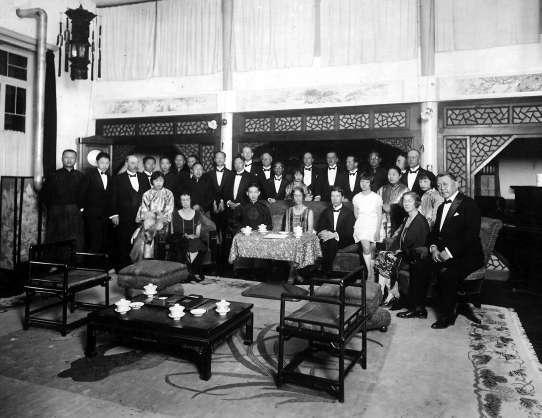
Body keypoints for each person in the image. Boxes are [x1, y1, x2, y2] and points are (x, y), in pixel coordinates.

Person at [429, 172, 484, 329]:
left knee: (448, 273)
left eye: (445, 184)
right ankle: (417, 308)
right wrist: (433, 248)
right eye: (439, 185)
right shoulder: (441, 207)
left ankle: (446, 317)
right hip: (443, 253)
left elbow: (470, 235)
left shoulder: (469, 204)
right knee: (420, 264)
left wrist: (448, 253)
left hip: (468, 255)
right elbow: (434, 234)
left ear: (457, 183)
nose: (442, 188)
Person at [385, 192, 431, 318]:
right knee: (384, 257)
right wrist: (394, 251)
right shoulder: (407, 218)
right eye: (404, 201)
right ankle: (395, 296)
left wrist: (401, 253)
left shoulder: (420, 221)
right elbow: (400, 239)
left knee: (391, 262)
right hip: (406, 254)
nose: (406, 203)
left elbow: (420, 248)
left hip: (416, 258)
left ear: (416, 203)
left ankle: (410, 305)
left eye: (410, 201)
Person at [110, 155, 150, 267]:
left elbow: (148, 195)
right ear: (126, 164)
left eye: (137, 163)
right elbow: (113, 197)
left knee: (139, 241)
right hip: (124, 216)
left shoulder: (143, 177)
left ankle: (138, 267)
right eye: (132, 163)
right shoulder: (118, 178)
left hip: (141, 216)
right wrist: (114, 214)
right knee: (124, 241)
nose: (135, 165)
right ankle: (123, 268)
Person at [41, 149, 86, 250]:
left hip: (74, 212)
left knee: (75, 239)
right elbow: (44, 195)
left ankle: (73, 260)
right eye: (66, 157)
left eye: (72, 158)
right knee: (55, 239)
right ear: (62, 159)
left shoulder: (81, 176)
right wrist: (52, 209)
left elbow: (84, 195)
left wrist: (80, 209)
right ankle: (54, 260)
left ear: (76, 160)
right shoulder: (53, 175)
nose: (69, 160)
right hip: (57, 213)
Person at [133, 172, 174, 260]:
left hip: (164, 222)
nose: (159, 183)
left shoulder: (169, 193)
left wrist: (159, 217)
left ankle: (160, 261)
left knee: (159, 233)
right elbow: (144, 210)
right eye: (156, 181)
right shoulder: (147, 194)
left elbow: (169, 210)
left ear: (164, 181)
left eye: (161, 180)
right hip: (149, 221)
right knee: (145, 233)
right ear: (152, 181)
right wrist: (153, 216)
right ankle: (147, 261)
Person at [169, 192, 207, 282]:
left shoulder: (197, 214)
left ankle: (190, 272)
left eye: (187, 200)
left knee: (200, 245)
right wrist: (185, 235)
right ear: (180, 201)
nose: (185, 202)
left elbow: (197, 233)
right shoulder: (175, 214)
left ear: (190, 201)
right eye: (183, 200)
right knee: (184, 244)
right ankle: (190, 272)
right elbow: (174, 232)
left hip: (193, 237)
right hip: (179, 238)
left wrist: (193, 236)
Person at [317, 187, 356, 274]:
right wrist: (323, 234)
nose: (334, 199)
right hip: (327, 239)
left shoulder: (349, 213)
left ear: (342, 198)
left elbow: (349, 232)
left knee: (331, 241)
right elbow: (320, 227)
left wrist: (335, 235)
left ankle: (325, 271)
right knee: (328, 241)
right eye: (332, 196)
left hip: (343, 240)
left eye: (337, 196)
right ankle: (326, 271)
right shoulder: (326, 212)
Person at [352, 173, 383, 281]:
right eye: (362, 181)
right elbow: (356, 214)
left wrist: (377, 230)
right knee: (366, 248)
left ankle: (372, 270)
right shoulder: (356, 197)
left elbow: (380, 215)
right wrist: (362, 222)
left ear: (370, 183)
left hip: (374, 225)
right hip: (362, 225)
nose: (364, 184)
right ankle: (370, 272)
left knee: (372, 250)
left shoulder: (376, 197)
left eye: (367, 182)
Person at [82, 151, 112, 253]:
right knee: (92, 241)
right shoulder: (89, 175)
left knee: (104, 241)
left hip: (105, 215)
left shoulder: (109, 177)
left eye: (107, 163)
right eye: (102, 162)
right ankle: (91, 262)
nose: (105, 165)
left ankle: (101, 261)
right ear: (97, 163)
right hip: (91, 214)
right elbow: (82, 193)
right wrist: (83, 210)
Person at [205, 151, 231, 244]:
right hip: (213, 207)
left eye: (221, 158)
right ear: (214, 160)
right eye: (217, 158)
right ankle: (214, 252)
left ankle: (225, 252)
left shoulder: (231, 173)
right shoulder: (208, 174)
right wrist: (214, 203)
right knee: (213, 233)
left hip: (226, 208)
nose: (219, 159)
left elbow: (231, 191)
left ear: (224, 159)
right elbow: (207, 191)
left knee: (225, 233)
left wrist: (223, 202)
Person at [378, 166, 409, 239]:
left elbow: (407, 209)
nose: (391, 177)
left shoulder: (405, 190)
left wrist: (392, 208)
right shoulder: (382, 189)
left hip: (397, 222)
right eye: (389, 174)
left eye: (393, 174)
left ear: (400, 176)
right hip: (382, 222)